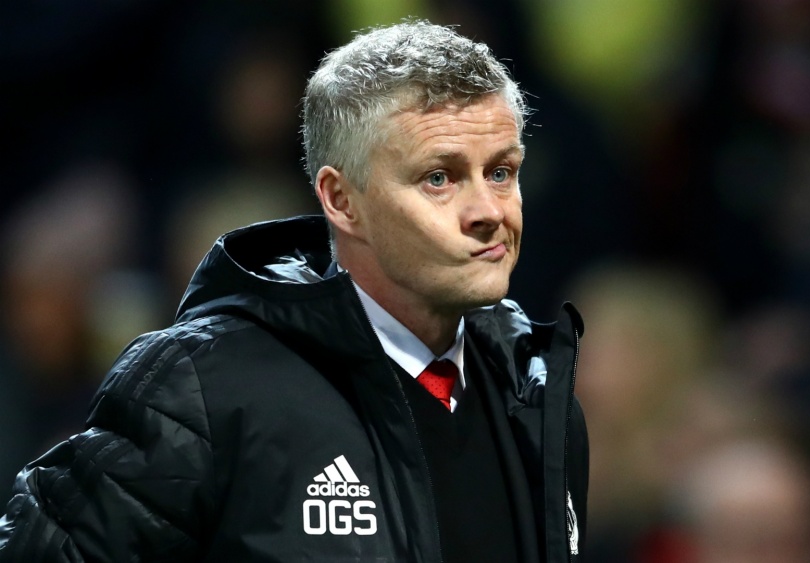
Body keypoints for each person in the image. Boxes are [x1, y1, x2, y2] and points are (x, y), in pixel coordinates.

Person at [0, 20, 588, 562]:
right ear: (342, 200)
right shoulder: (205, 387)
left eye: (501, 173)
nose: (488, 211)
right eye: (439, 177)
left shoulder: (538, 397)